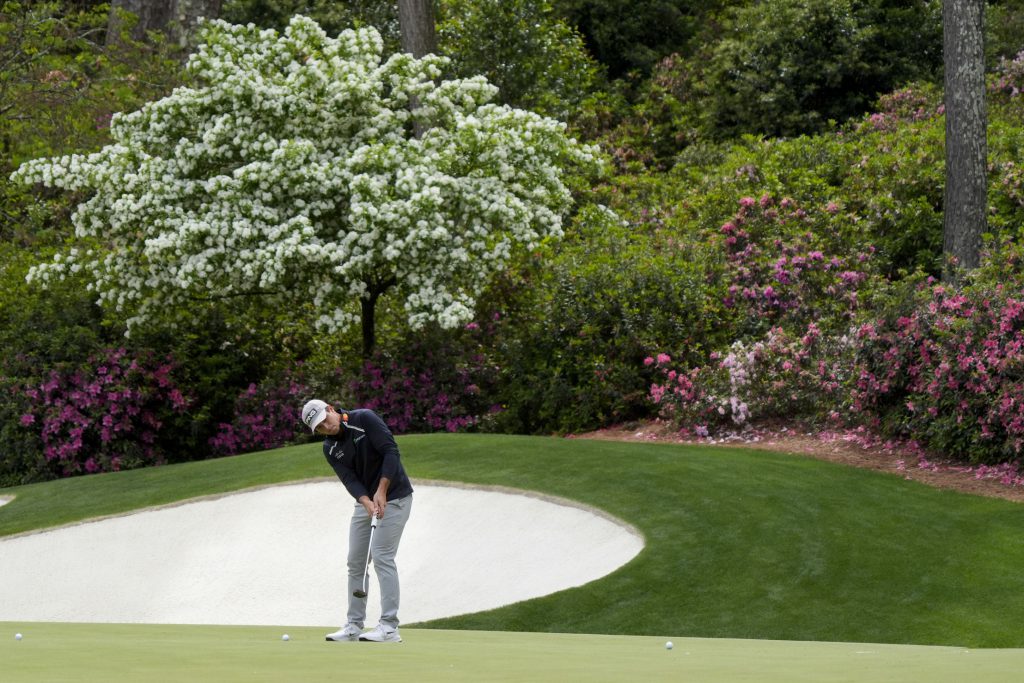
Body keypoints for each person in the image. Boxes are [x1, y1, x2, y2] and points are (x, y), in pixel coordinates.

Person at [300, 398, 414, 643]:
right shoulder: (330, 448)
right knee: (356, 562)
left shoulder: (364, 419)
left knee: (382, 556)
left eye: (324, 420)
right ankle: (353, 625)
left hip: (395, 496)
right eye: (319, 428)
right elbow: (349, 480)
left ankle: (389, 627)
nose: (326, 428)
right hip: (366, 502)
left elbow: (391, 451)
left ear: (331, 409)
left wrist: (381, 491)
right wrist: (366, 501)